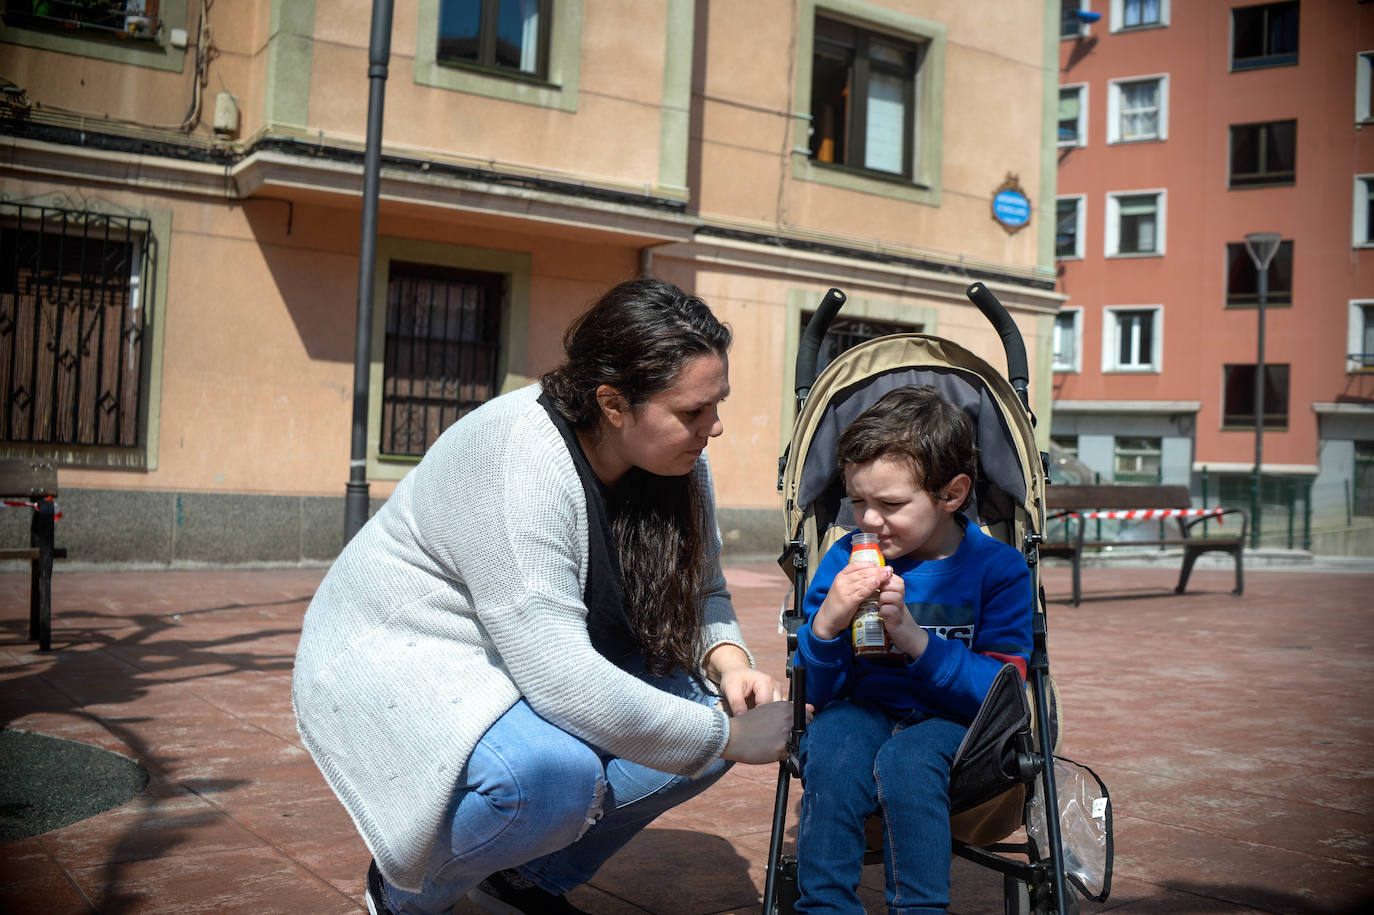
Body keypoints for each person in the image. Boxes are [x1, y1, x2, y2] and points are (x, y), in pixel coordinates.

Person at [292, 278, 797, 915]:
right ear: (613, 403)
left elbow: (703, 589)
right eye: (693, 412)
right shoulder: (517, 456)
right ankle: (406, 893)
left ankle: (522, 877)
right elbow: (561, 679)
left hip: (529, 656)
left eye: (716, 404)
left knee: (711, 708)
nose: (714, 428)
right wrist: (724, 738)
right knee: (553, 777)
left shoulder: (678, 461)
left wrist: (729, 661)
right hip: (408, 652)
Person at [792, 385, 1033, 914]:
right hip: (865, 706)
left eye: (891, 504)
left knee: (909, 759)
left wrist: (919, 643)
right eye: (857, 501)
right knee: (832, 743)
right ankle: (825, 906)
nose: (868, 521)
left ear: (952, 494)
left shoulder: (998, 570)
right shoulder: (844, 561)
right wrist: (827, 625)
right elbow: (814, 692)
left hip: (956, 723)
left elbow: (1001, 693)